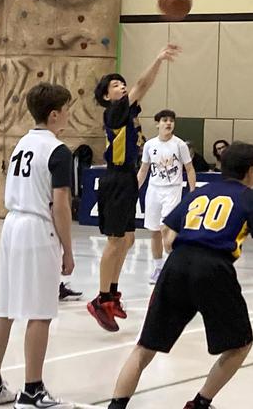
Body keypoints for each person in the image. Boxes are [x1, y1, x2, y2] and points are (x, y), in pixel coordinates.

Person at [107, 143, 253, 409]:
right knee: (241, 344)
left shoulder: (200, 193)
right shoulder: (252, 200)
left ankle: (115, 405)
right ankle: (200, 403)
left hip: (177, 264)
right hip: (214, 268)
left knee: (144, 347)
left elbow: (167, 234)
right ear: (252, 172)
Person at [0, 83, 75, 409]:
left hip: (12, 225)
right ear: (55, 114)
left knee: (4, 308)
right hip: (36, 228)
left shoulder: (22, 143)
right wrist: (68, 251)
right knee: (40, 313)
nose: (69, 116)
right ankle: (32, 390)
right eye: (67, 110)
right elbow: (60, 205)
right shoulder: (58, 150)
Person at [88, 44, 180, 333]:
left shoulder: (127, 111)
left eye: (122, 83)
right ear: (107, 96)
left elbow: (143, 87)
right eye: (115, 85)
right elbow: (141, 84)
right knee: (115, 241)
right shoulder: (115, 111)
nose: (122, 86)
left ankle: (113, 294)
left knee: (127, 240)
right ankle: (100, 300)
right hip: (115, 179)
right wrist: (157, 58)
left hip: (127, 178)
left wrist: (157, 68)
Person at [137, 109, 196, 285]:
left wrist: (193, 192)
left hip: (173, 189)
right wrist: (134, 189)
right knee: (154, 231)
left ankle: (174, 266)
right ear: (157, 123)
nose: (168, 123)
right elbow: (143, 170)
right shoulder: (149, 145)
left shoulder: (180, 145)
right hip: (154, 190)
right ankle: (158, 267)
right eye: (164, 120)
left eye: (171, 120)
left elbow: (190, 169)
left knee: (166, 228)